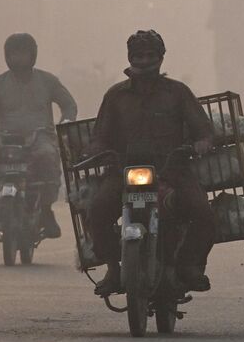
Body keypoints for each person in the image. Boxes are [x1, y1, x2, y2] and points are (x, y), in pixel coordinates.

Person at [84, 30, 216, 297]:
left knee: (204, 213)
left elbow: (203, 130)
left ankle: (190, 265)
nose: (144, 61)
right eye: (139, 55)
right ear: (130, 58)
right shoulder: (115, 96)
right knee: (96, 211)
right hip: (124, 171)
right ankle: (112, 268)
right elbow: (100, 136)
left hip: (173, 170)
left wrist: (202, 142)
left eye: (150, 55)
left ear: (161, 57)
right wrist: (98, 151)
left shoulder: (178, 93)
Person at [0, 33, 77, 238]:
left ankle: (46, 211)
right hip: (3, 139)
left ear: (32, 55)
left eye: (22, 54)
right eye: (13, 55)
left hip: (39, 138)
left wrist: (66, 122)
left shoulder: (48, 81)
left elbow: (69, 105)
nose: (18, 59)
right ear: (6, 57)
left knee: (48, 157)